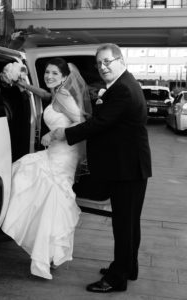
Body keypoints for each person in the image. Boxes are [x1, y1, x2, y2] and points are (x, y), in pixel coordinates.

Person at [53, 44, 152, 293]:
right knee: (129, 223)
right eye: (99, 63)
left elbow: (101, 123)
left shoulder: (123, 89)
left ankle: (117, 278)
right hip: (129, 166)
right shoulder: (124, 84)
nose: (103, 67)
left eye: (107, 61)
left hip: (127, 169)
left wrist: (65, 133)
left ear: (121, 61)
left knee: (123, 224)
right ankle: (128, 267)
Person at [1, 57, 90, 280]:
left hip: (62, 155)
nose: (49, 76)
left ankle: (46, 253)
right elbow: (47, 96)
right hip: (58, 153)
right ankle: (50, 254)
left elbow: (81, 122)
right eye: (47, 72)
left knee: (30, 182)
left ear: (64, 77)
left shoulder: (63, 94)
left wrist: (55, 133)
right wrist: (25, 85)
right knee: (49, 201)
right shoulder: (58, 92)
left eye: (54, 74)